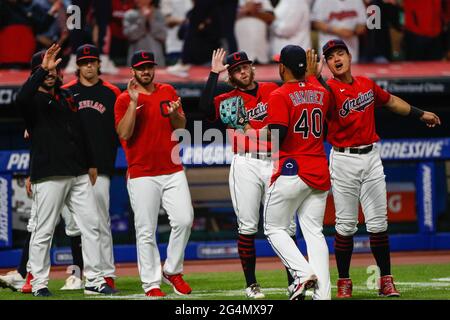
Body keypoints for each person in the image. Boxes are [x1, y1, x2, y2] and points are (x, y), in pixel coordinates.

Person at [318, 39, 441, 298]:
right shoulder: (328, 89)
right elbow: (318, 103)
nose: (336, 58)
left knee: (378, 223)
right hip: (343, 159)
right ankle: (344, 281)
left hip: (371, 156)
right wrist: (315, 80)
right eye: (330, 56)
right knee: (345, 225)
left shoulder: (366, 84)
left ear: (350, 57)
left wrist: (420, 113)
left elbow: (391, 101)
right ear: (327, 64)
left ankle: (386, 280)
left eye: (340, 53)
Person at [14, 44, 116, 297]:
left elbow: (80, 132)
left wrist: (91, 162)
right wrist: (41, 70)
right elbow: (21, 98)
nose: (51, 73)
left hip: (78, 172)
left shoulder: (67, 96)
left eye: (54, 68)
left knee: (91, 225)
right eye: (44, 69)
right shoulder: (32, 100)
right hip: (49, 173)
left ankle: (93, 279)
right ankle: (38, 283)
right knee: (43, 230)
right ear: (35, 72)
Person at [198, 48, 297, 299]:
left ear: (251, 68)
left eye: (244, 67)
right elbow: (203, 110)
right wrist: (213, 74)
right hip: (246, 163)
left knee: (286, 225)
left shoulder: (272, 89)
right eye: (236, 70)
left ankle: (294, 280)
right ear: (230, 76)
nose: (242, 71)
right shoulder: (227, 99)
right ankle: (251, 284)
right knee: (248, 226)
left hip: (276, 160)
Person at [114, 50, 194, 297]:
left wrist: (174, 115)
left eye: (149, 66)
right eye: (141, 67)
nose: (146, 71)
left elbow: (181, 127)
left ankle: (172, 269)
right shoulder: (123, 98)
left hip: (172, 169)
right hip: (142, 172)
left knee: (184, 219)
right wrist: (133, 102)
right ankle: (151, 283)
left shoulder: (168, 90)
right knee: (146, 230)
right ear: (133, 71)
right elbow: (124, 134)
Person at [259, 45, 332, 300]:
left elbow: (277, 137)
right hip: (319, 169)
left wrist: (261, 129)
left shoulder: (280, 94)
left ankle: (301, 273)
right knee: (314, 232)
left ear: (282, 68)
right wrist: (312, 77)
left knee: (272, 227)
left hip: (293, 169)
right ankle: (323, 295)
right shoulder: (322, 92)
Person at [62, 44, 121, 290]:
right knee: (74, 225)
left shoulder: (112, 92)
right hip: (71, 169)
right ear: (78, 65)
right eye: (84, 62)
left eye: (92, 61)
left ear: (99, 64)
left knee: (100, 222)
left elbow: (121, 129)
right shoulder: (65, 91)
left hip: (101, 167)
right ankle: (79, 274)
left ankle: (105, 274)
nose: (88, 65)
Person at [123, 0, 167, 67]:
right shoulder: (129, 14)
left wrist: (150, 20)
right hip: (136, 59)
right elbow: (131, 36)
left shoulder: (159, 14)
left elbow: (163, 35)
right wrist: (142, 18)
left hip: (156, 59)